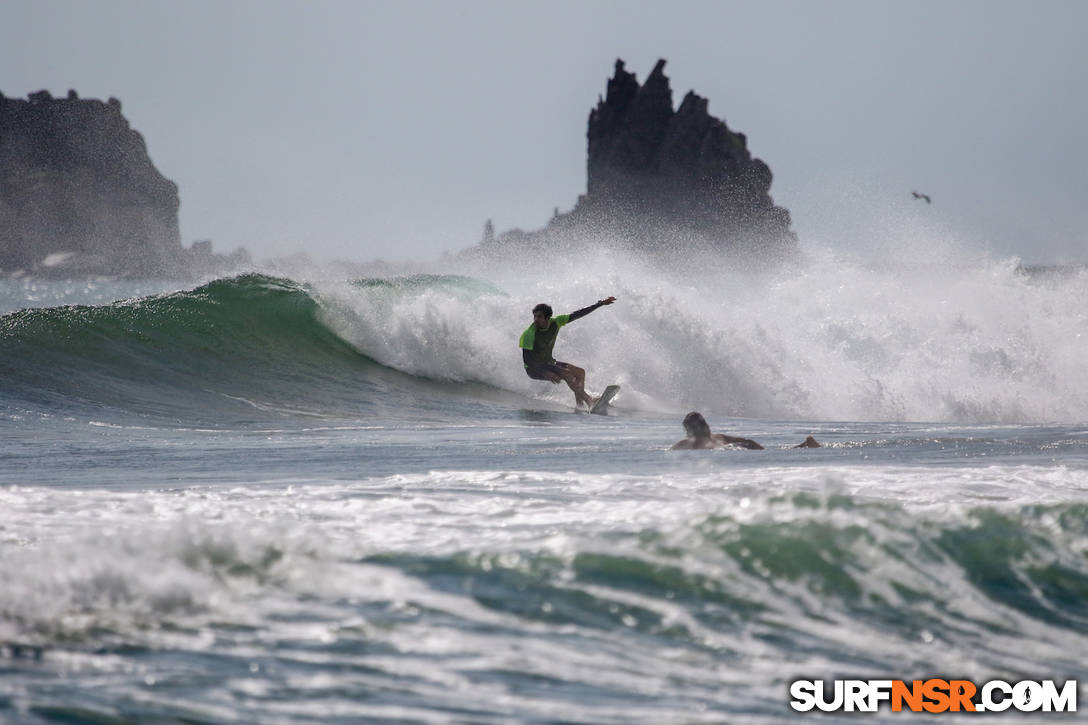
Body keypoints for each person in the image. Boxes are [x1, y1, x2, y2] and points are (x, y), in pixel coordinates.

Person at [519, 297, 616, 408]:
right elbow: (528, 361)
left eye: (539, 316)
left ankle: (580, 405)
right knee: (567, 373)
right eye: (535, 316)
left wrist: (600, 304)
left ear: (547, 317)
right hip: (533, 369)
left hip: (548, 362)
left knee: (580, 372)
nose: (536, 319)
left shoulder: (556, 322)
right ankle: (590, 401)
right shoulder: (529, 334)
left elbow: (578, 314)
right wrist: (545, 373)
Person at [670, 412, 822, 450]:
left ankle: (806, 444)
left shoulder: (688, 444)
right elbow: (747, 441)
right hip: (744, 447)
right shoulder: (718, 437)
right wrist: (761, 450)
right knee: (784, 452)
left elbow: (671, 451)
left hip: (737, 449)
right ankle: (806, 444)